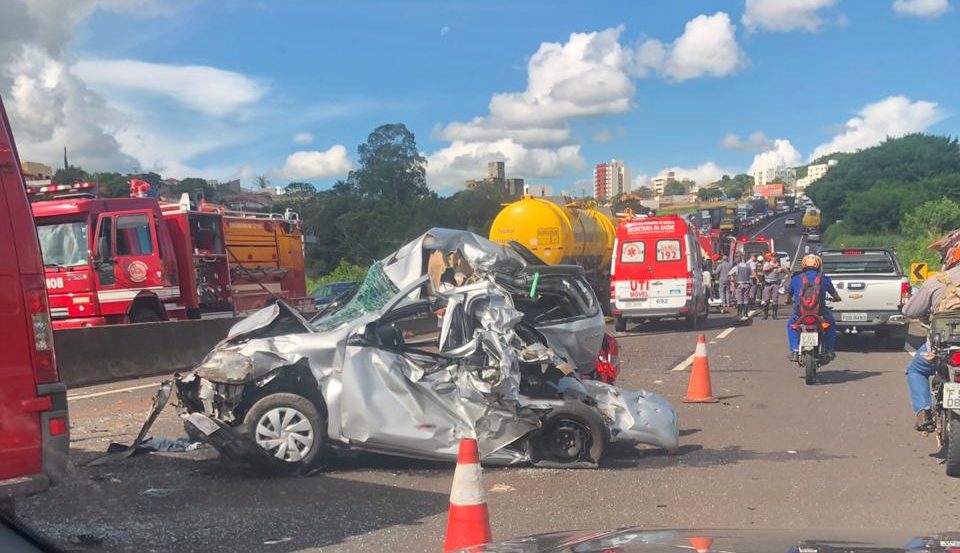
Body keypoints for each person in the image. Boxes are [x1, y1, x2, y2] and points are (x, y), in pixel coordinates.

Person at [902, 229, 960, 431]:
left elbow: (910, 310)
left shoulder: (937, 281)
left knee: (915, 370)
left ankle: (923, 412)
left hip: (941, 349)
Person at [784, 254, 841, 362]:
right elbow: (835, 295)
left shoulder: (796, 279)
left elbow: (789, 296)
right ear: (819, 265)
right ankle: (829, 350)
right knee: (831, 325)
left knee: (791, 326)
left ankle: (795, 350)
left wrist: (788, 301)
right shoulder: (824, 279)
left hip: (801, 314)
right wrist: (837, 298)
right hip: (820, 313)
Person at [728, 254, 756, 319]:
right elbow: (750, 274)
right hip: (747, 284)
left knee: (739, 299)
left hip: (739, 284)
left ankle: (740, 313)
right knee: (746, 299)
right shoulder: (748, 267)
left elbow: (729, 274)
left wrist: (732, 280)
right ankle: (746, 313)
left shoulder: (736, 267)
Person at [761, 253, 787, 320]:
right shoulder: (767, 263)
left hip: (775, 283)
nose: (775, 258)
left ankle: (774, 315)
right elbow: (764, 269)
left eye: (775, 257)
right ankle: (765, 315)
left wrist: (782, 270)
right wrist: (774, 267)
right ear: (771, 258)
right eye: (773, 257)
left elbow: (785, 271)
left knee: (775, 299)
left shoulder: (778, 264)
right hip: (768, 283)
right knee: (766, 300)